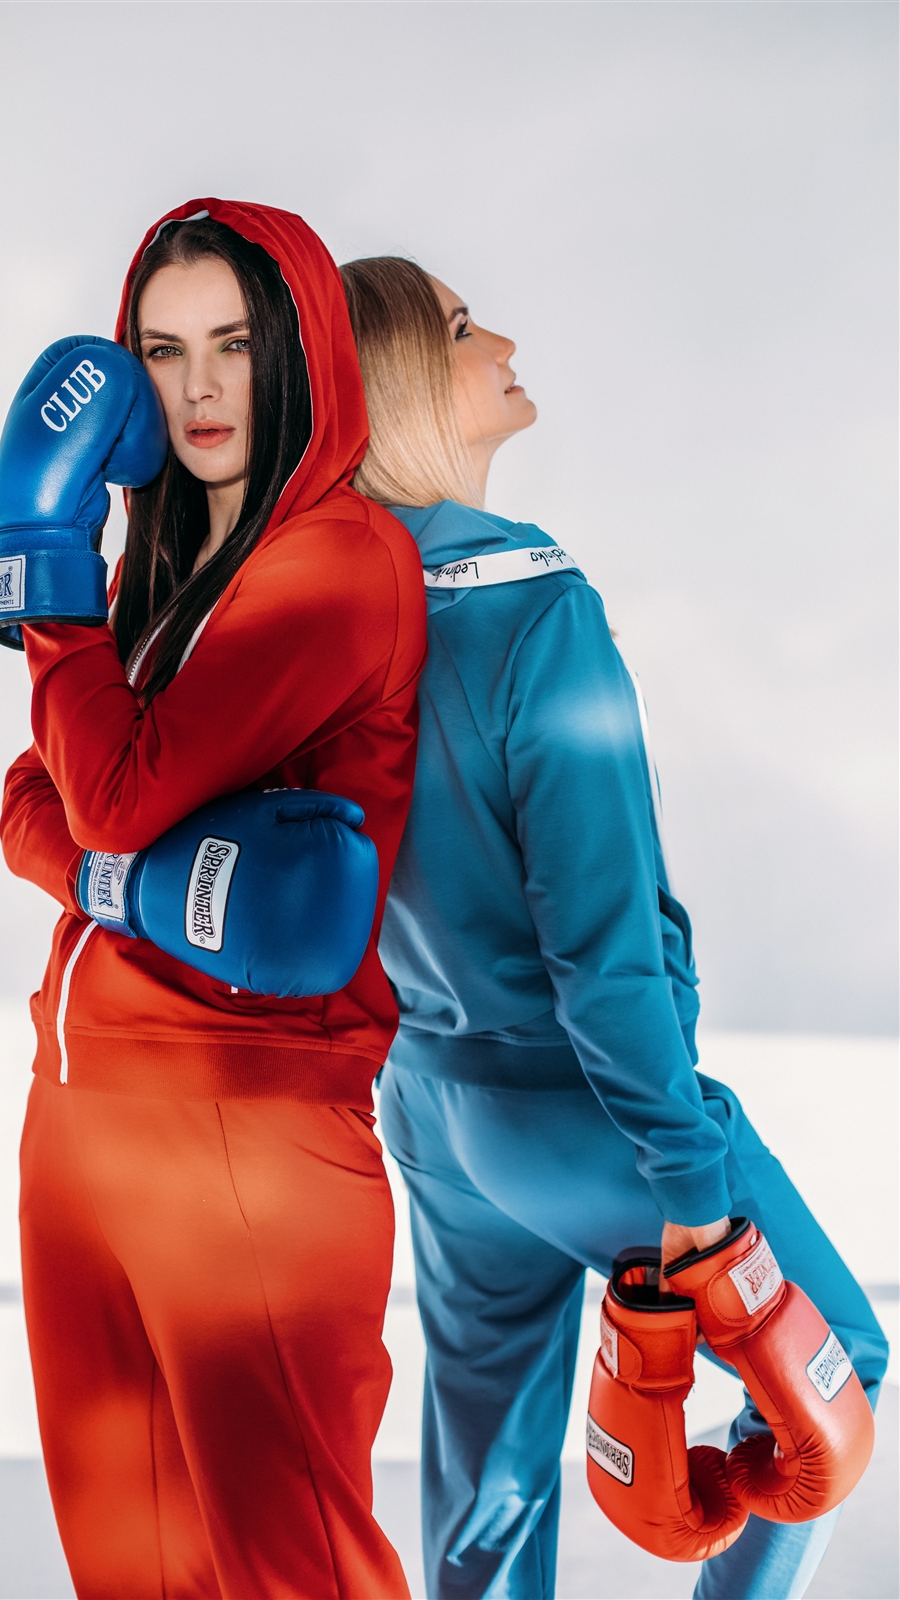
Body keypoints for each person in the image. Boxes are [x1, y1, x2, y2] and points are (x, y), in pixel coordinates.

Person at [339, 255, 888, 1600]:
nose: (502, 340)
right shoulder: (536, 615)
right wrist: (689, 1181)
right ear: (399, 388)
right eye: (461, 328)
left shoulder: (328, 621)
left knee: (491, 1457)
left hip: (432, 1104)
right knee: (831, 1373)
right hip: (582, 1108)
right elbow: (603, 945)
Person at [0, 201, 426, 1600]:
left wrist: (40, 556)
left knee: (294, 1573)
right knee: (129, 1570)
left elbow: (106, 797)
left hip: (244, 1133)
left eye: (233, 345)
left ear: (300, 352)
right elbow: (27, 802)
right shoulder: (160, 564)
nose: (197, 389)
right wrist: (130, 881)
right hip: (81, 1114)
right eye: (163, 350)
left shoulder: (341, 563)